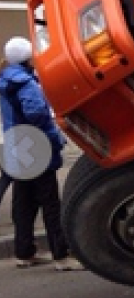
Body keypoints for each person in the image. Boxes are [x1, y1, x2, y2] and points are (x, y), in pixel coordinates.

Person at [0, 37, 82, 270]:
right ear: (28, 57)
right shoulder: (25, 82)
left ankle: (23, 253)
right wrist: (55, 138)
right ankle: (61, 256)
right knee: (50, 202)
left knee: (23, 201)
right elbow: (36, 112)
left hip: (18, 146)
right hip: (37, 147)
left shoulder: (5, 80)